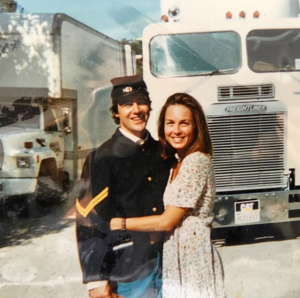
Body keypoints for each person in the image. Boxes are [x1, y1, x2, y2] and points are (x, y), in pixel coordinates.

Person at [110, 93, 226, 298]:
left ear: (196, 127)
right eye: (170, 123)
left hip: (192, 259)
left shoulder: (196, 162)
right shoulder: (176, 162)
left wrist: (120, 223)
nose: (176, 130)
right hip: (176, 255)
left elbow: (167, 221)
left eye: (185, 123)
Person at [76, 75, 173, 298]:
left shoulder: (163, 152)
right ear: (116, 111)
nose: (136, 110)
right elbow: (89, 220)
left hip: (168, 259)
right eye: (127, 104)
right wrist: (96, 279)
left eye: (141, 102)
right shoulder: (102, 157)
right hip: (128, 268)